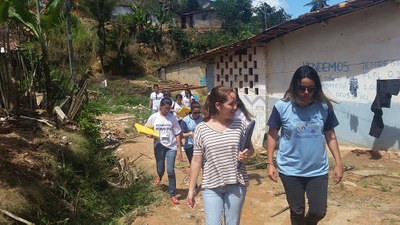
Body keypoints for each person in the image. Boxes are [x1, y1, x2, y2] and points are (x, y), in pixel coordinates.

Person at [266, 65, 343, 225]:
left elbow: (330, 135)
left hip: (317, 170)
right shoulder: (282, 107)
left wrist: (338, 163)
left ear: (317, 88)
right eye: (302, 88)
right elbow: (272, 134)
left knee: (318, 211)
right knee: (297, 211)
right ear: (294, 87)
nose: (306, 93)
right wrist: (269, 163)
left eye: (311, 89)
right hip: (290, 169)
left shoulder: (324, 108)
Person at [186, 85, 254, 225]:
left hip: (236, 184)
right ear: (218, 105)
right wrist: (191, 189)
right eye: (231, 104)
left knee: (232, 223)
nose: (236, 107)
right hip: (211, 186)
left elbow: (251, 149)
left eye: (237, 103)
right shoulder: (201, 129)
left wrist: (246, 154)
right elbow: (196, 160)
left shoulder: (240, 125)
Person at [145, 98, 182, 205]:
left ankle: (173, 194)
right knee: (160, 168)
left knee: (170, 171)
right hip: (159, 145)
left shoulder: (173, 118)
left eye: (169, 109)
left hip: (171, 147)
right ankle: (160, 176)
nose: (167, 111)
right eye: (165, 109)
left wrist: (180, 150)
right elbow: (147, 129)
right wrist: (149, 134)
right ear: (160, 107)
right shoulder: (154, 117)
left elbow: (178, 133)